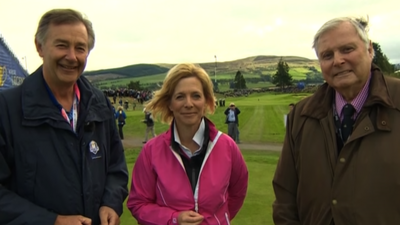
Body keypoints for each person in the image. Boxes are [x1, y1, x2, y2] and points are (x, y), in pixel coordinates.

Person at [0, 9, 129, 225]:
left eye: (80, 48)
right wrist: (51, 221)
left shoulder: (99, 103)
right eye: (61, 45)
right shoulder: (7, 109)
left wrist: (111, 202)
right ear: (39, 47)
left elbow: (116, 167)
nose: (72, 57)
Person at [273, 16, 400, 225]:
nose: (338, 60)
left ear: (370, 50)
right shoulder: (301, 115)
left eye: (347, 49)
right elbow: (285, 198)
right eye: (327, 55)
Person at [127, 63, 248, 225]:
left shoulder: (227, 146)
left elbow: (237, 194)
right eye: (180, 97)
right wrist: (173, 219)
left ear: (206, 101)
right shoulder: (151, 151)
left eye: (196, 96)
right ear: (170, 103)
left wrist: (216, 221)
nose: (188, 103)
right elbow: (138, 204)